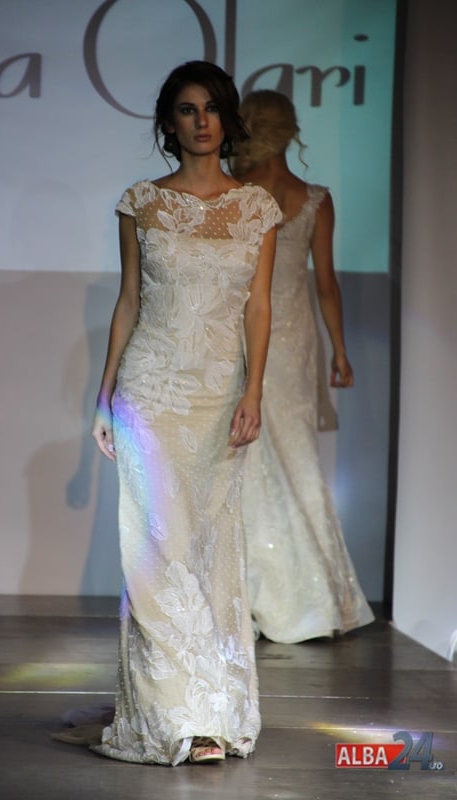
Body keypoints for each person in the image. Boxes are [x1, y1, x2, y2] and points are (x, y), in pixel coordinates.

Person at [88, 63, 281, 765]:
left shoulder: (257, 208)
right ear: (168, 122)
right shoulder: (142, 202)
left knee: (208, 552)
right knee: (155, 549)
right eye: (187, 110)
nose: (201, 121)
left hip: (218, 396)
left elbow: (259, 308)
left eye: (212, 109)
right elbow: (129, 303)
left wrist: (253, 391)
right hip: (152, 391)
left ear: (227, 119)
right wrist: (104, 395)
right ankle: (177, 718)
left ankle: (213, 708)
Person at [231, 90, 374, 644]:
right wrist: (339, 349)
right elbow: (326, 285)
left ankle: (256, 593)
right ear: (291, 131)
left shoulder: (234, 192)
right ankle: (310, 595)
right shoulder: (312, 199)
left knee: (247, 458)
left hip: (249, 337)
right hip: (289, 340)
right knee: (292, 457)